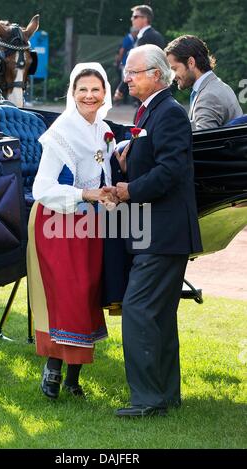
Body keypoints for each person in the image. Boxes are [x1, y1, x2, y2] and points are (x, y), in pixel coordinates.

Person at [105, 44, 203, 417]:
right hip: (159, 231)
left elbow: (172, 171)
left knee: (139, 308)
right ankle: (165, 396)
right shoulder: (151, 112)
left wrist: (131, 189)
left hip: (164, 232)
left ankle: (147, 400)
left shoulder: (170, 113)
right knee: (158, 314)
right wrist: (129, 157)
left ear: (156, 75)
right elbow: (157, 161)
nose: (126, 78)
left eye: (133, 72)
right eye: (127, 72)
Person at [27, 63, 117, 400]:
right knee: (69, 296)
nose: (89, 96)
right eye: (83, 90)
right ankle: (52, 370)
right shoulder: (62, 132)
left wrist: (106, 196)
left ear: (105, 92)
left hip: (89, 225)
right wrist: (85, 194)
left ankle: (73, 377)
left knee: (88, 294)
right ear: (72, 93)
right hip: (58, 224)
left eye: (95, 89)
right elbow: (42, 188)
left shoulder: (102, 130)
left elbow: (100, 179)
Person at [165, 35, 243, 131]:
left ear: (191, 62)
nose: (173, 76)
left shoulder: (208, 96)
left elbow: (204, 144)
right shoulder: (218, 86)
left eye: (174, 69)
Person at [114, 4, 165, 103]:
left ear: (145, 19)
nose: (132, 19)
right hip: (156, 87)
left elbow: (134, 67)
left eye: (135, 16)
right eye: (132, 16)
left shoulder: (145, 38)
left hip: (148, 88)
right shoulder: (155, 35)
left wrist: (120, 89)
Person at [114, 27, 138, 103]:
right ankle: (117, 99)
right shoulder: (128, 39)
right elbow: (121, 50)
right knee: (124, 81)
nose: (137, 34)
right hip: (125, 64)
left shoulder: (134, 39)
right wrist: (119, 62)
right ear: (133, 32)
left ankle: (127, 100)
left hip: (131, 63)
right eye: (136, 32)